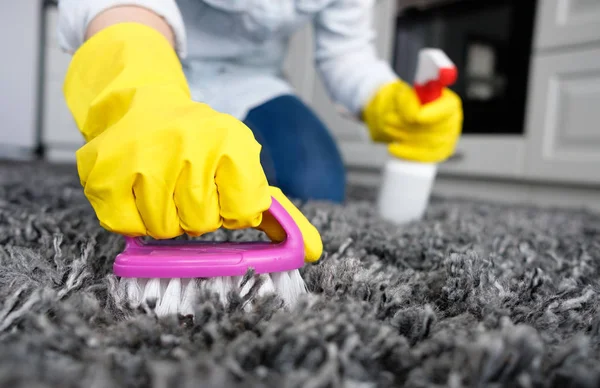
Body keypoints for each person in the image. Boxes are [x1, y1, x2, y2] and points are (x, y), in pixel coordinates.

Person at [57, 0, 463, 264]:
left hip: (252, 81)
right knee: (150, 180)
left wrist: (387, 101)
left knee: (315, 184)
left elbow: (347, 52)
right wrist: (141, 95)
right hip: (151, 52)